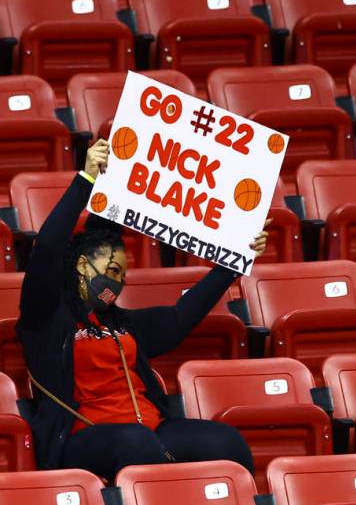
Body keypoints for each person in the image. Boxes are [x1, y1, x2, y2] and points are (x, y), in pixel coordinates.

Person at [17, 138, 266, 480]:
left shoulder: (122, 324)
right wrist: (86, 180)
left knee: (225, 441)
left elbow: (180, 318)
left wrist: (233, 263)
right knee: (137, 443)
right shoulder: (45, 318)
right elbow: (46, 248)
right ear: (81, 265)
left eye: (121, 273)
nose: (117, 281)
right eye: (111, 270)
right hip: (83, 436)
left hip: (149, 430)